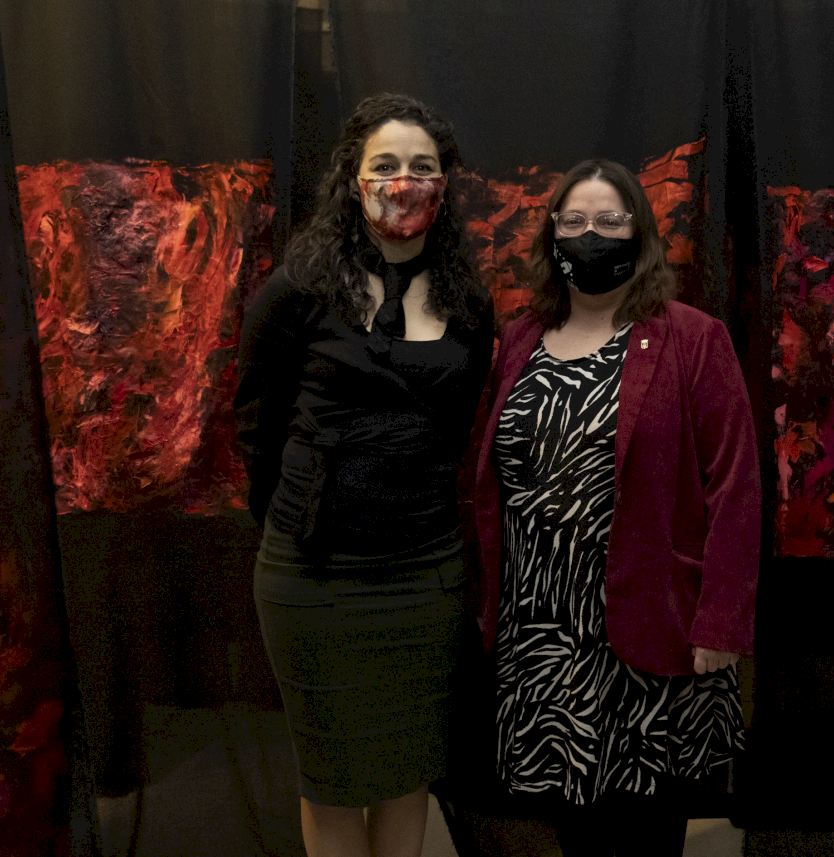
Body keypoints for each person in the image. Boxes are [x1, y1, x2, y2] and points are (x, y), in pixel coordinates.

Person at [471, 159, 760, 856]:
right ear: (552, 235)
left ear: (641, 234)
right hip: (540, 635)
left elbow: (736, 485)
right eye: (573, 221)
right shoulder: (520, 338)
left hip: (649, 628)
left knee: (643, 833)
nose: (590, 235)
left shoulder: (693, 338)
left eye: (609, 220)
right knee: (572, 833)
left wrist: (720, 620)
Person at [233, 93, 494, 857]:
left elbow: (458, 432)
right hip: (315, 580)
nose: (403, 181)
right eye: (385, 165)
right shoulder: (298, 289)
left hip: (423, 576)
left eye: (422, 166)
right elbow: (256, 425)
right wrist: (296, 517)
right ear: (354, 179)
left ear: (445, 183)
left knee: (408, 773)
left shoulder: (469, 305)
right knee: (335, 781)